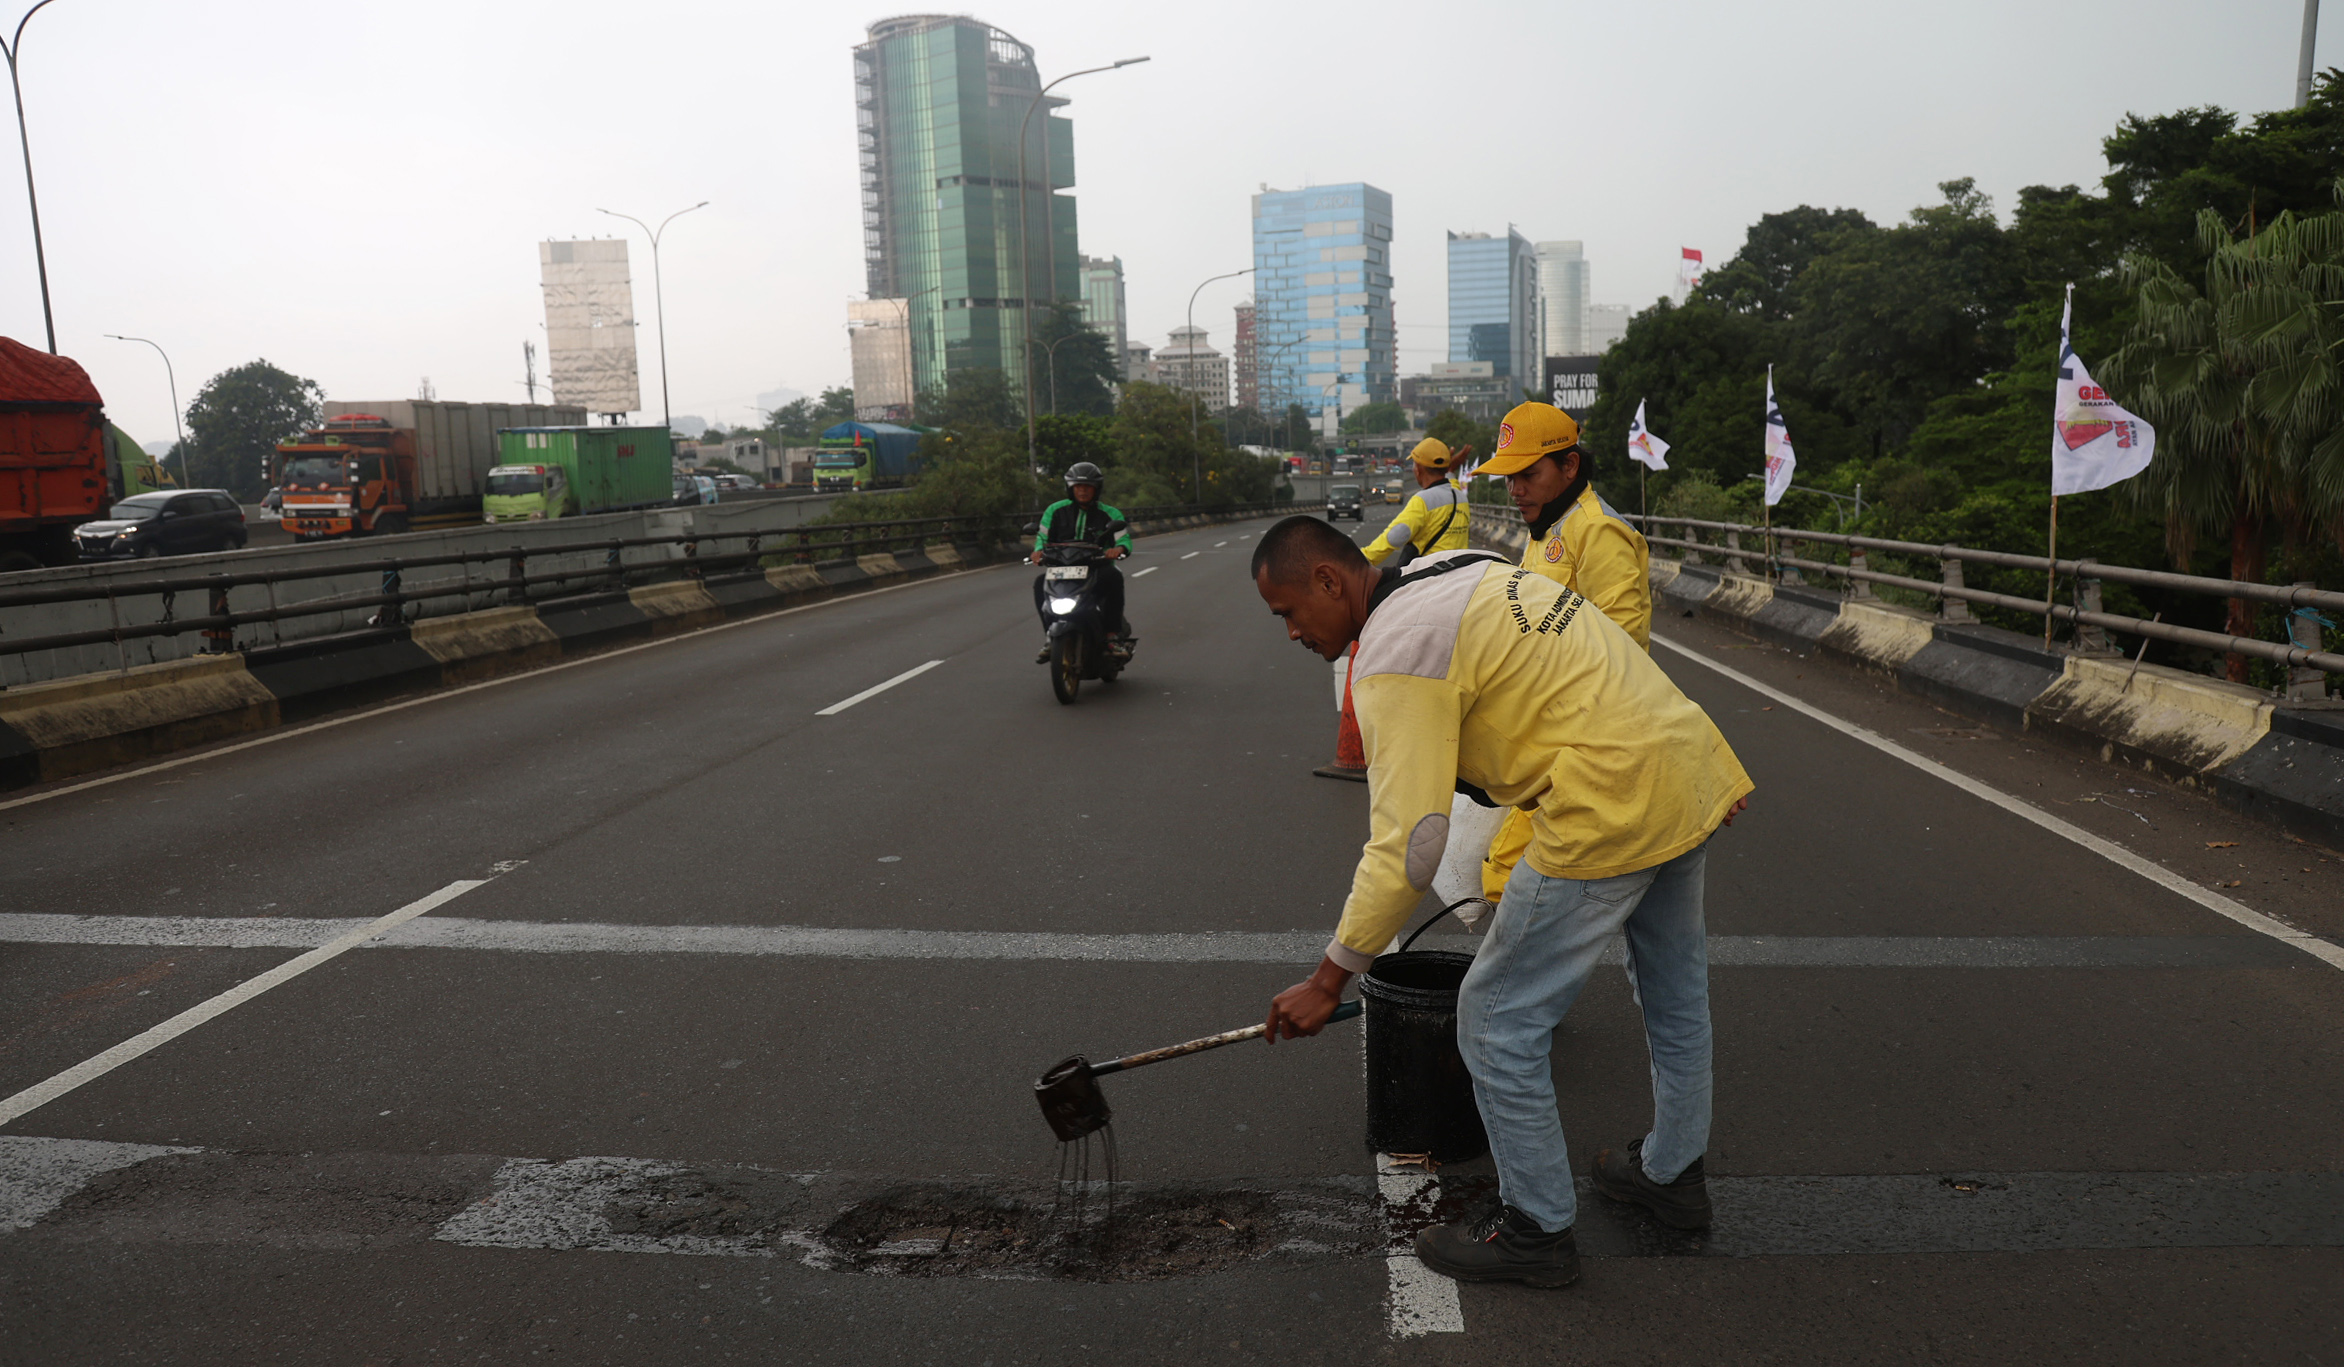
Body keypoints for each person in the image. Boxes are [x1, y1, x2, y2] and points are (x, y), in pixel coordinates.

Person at [1248, 514, 1751, 1289]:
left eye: (1285, 612)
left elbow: (1412, 846)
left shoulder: (1393, 654)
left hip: (1607, 800)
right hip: (1680, 761)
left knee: (1494, 1019)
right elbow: (1594, 645)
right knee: (1676, 996)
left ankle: (1537, 1229)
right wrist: (1691, 757)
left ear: (1326, 579)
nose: (1288, 633)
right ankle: (1672, 1174)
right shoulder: (1457, 566)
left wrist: (1328, 978)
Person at [1473, 402, 1653, 907]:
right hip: (1548, 733)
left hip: (1581, 742)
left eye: (1527, 474)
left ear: (1569, 466)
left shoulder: (1596, 531)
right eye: (1509, 477)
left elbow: (1624, 645)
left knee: (1505, 877)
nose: (1515, 489)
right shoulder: (1548, 528)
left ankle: (1511, 984)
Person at [1030, 461, 1133, 663]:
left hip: (1096, 569)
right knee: (1038, 583)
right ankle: (1050, 636)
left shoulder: (1111, 513)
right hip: (1060, 570)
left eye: (1087, 487)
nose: (1083, 491)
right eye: (1078, 486)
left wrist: (1118, 549)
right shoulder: (1055, 510)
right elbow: (1041, 538)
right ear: (1070, 488)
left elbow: (1123, 539)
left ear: (1097, 489)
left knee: (1114, 577)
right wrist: (1038, 553)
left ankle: (1112, 637)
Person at [1361, 438, 1473, 566]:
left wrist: (1359, 559)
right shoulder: (1460, 496)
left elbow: (1394, 538)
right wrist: (1450, 470)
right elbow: (1452, 482)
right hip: (1461, 571)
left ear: (1418, 469)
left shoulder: (1422, 500)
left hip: (1431, 577)